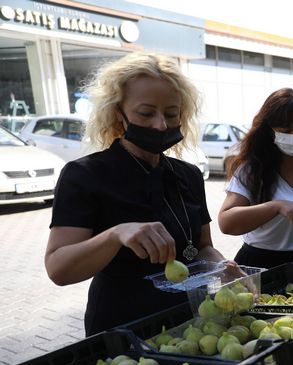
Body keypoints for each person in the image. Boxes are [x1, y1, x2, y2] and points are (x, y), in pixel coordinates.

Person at [45, 53, 228, 336]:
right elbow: (59, 269)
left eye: (171, 114)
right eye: (146, 113)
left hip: (191, 320)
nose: (160, 126)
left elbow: (202, 247)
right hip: (123, 327)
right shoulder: (84, 175)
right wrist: (116, 234)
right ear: (118, 113)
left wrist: (222, 266)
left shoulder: (189, 175)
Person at [218, 88, 293, 269]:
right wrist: (276, 206)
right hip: (262, 266)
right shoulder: (251, 171)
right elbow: (226, 223)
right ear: (269, 131)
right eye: (286, 130)